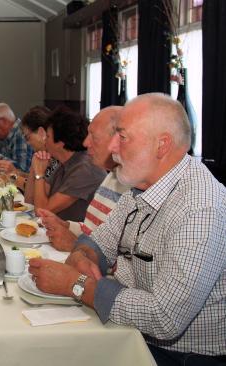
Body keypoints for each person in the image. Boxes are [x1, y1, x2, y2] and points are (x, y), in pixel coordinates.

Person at [29, 93, 226, 365]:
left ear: (162, 145)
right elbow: (100, 240)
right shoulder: (142, 185)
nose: (112, 147)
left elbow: (165, 318)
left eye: (122, 137)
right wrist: (82, 255)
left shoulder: (199, 208)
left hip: (184, 356)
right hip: (136, 332)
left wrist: (74, 285)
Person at [38, 106, 129, 251]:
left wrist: (75, 245)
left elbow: (122, 262)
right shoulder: (112, 177)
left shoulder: (88, 168)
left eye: (94, 136)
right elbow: (94, 230)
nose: (86, 143)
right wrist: (67, 225)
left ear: (119, 141)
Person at [27, 106, 106, 222]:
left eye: (47, 136)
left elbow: (41, 211)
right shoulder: (63, 163)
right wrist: (34, 168)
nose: (44, 141)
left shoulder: (85, 169)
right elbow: (30, 200)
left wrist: (39, 174)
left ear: (60, 142)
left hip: (79, 237)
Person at [0, 106, 51, 192]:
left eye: (27, 137)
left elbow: (42, 192)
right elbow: (35, 178)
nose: (27, 143)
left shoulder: (55, 157)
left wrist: (14, 178)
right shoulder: (45, 153)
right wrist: (17, 172)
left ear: (41, 133)